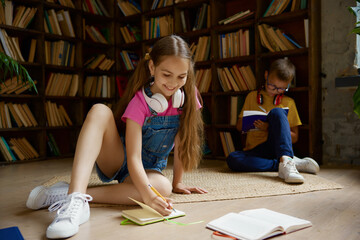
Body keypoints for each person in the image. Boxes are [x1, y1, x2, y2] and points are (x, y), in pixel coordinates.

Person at [26, 35, 207, 239]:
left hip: (150, 170)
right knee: (99, 110)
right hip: (121, 159)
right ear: (152, 68)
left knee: (162, 188)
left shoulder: (187, 97)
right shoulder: (140, 102)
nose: (174, 84)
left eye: (181, 77)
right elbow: (133, 159)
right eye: (167, 74)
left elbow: (183, 141)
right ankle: (74, 200)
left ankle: (72, 194)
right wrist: (147, 197)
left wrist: (177, 183)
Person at [226, 58, 319, 184]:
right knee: (233, 159)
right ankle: (289, 164)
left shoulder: (288, 103)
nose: (274, 91)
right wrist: (252, 124)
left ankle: (285, 160)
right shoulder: (252, 97)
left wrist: (268, 128)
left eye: (281, 89)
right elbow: (238, 126)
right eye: (272, 85)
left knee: (277, 112)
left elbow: (295, 137)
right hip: (255, 151)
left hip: (277, 150)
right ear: (266, 75)